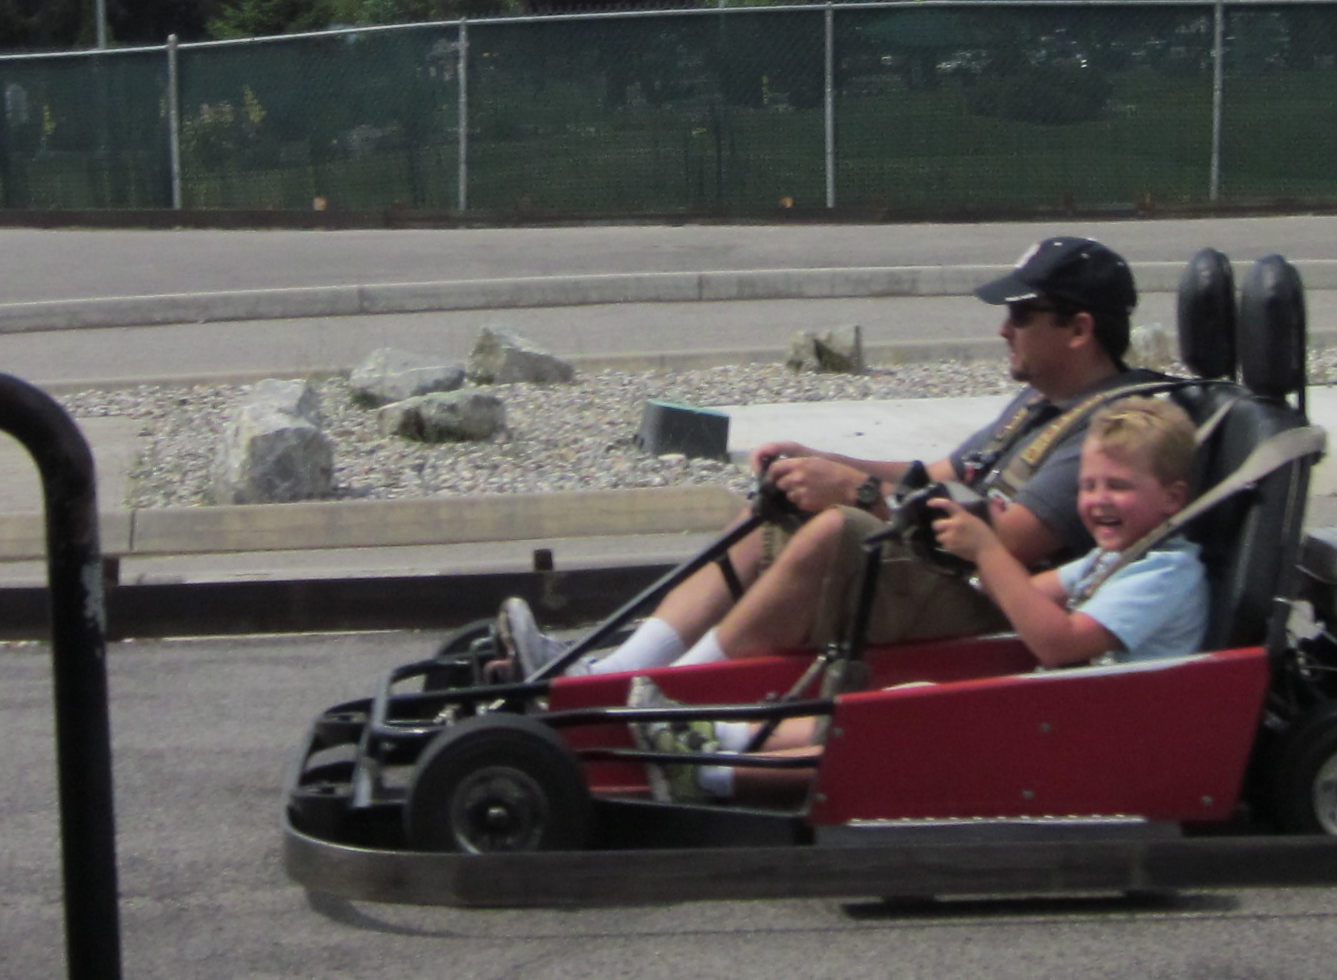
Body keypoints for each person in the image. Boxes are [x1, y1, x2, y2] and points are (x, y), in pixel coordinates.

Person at [495, 233, 1161, 682]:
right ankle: (610, 671)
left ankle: (667, 695)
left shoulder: (1105, 430)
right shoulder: (1042, 401)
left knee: (837, 532)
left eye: (1021, 314)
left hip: (999, 601)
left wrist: (857, 495)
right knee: (776, 508)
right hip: (949, 570)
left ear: (1079, 329)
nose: (1003, 328)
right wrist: (819, 461)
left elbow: (1006, 543)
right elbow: (941, 476)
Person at [660, 391, 1221, 794]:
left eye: (1118, 487)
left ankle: (713, 774)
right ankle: (719, 732)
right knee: (905, 698)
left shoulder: (1163, 573)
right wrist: (955, 556)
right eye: (1089, 486)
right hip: (1077, 714)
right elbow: (1026, 596)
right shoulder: (1115, 558)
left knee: (911, 730)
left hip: (1111, 742)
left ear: (1173, 499)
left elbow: (1058, 643)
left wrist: (986, 550)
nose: (1097, 501)